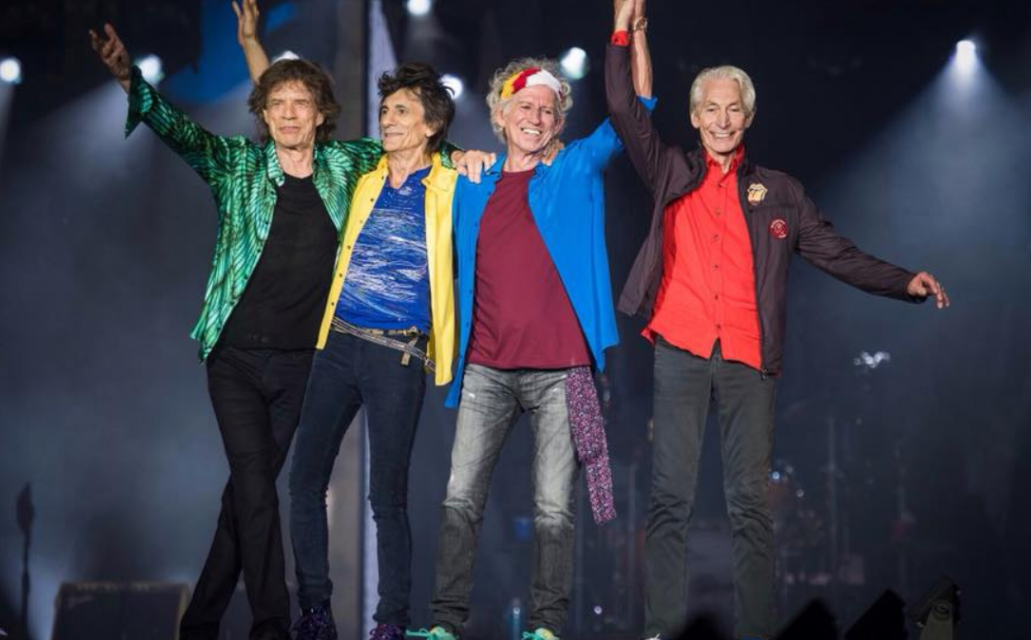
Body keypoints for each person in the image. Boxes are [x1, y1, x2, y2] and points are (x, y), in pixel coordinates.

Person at [604, 1, 951, 638]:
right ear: (694, 117)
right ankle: (660, 630)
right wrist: (622, 32)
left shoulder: (781, 192)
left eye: (733, 109)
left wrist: (903, 282)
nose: (722, 120)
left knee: (750, 504)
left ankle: (758, 632)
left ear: (749, 117)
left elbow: (836, 252)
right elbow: (625, 109)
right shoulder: (670, 170)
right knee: (670, 498)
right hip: (681, 347)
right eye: (711, 109)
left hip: (748, 355)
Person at [89, 18, 387, 640]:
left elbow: (409, 149)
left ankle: (199, 624)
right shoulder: (238, 165)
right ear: (263, 113)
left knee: (245, 498)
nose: (287, 114)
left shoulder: (347, 165)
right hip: (235, 360)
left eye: (299, 104)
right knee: (255, 489)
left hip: (303, 364)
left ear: (321, 114)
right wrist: (128, 79)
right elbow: (179, 131)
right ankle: (271, 623)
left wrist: (463, 153)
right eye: (276, 104)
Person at [233, 3, 491, 638]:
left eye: (401, 112)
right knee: (303, 482)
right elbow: (288, 118)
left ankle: (391, 622)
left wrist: (476, 157)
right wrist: (252, 44)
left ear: (431, 125)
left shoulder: (454, 182)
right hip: (338, 344)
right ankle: (316, 611)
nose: (388, 119)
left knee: (387, 497)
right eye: (385, 111)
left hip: (399, 353)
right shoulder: (359, 171)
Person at [408, 5, 655, 640]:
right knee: (460, 497)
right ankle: (444, 625)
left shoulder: (573, 169)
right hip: (485, 368)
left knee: (553, 507)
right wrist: (459, 152)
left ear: (558, 123)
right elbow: (412, 154)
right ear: (500, 115)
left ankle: (545, 627)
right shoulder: (473, 181)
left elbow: (637, 110)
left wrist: (630, 35)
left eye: (548, 111)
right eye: (525, 106)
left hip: (562, 371)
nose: (537, 117)